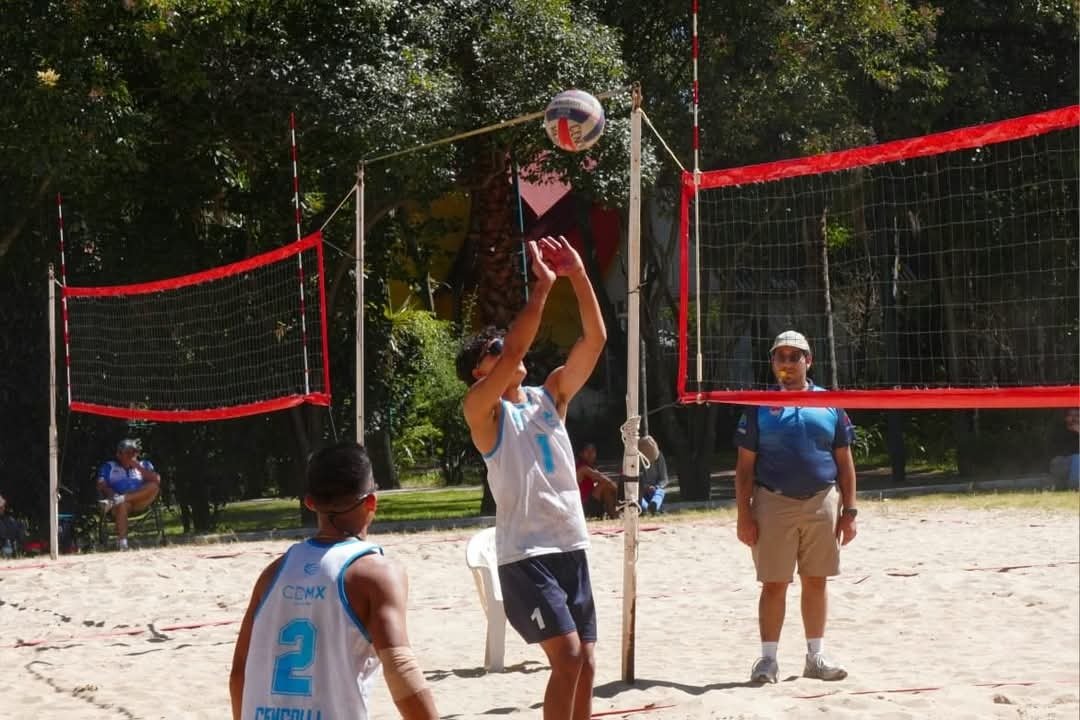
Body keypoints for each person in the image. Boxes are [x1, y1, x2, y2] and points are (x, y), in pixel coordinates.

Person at [456, 235, 606, 720]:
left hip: (570, 544)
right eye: (494, 350)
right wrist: (542, 289)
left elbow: (595, 341)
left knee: (588, 663)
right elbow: (519, 342)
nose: (508, 350)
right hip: (526, 556)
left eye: (505, 345)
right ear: (480, 373)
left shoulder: (551, 396)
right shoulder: (483, 410)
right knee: (568, 658)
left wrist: (578, 276)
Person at [229, 442, 438, 720]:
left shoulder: (272, 573)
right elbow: (400, 667)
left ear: (310, 502)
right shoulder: (375, 574)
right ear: (371, 502)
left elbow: (239, 674)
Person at [732, 330, 857, 684]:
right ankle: (767, 661)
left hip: (822, 499)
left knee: (815, 580)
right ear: (773, 363)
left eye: (794, 356)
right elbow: (744, 469)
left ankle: (815, 657)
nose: (787, 363)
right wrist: (744, 515)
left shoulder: (829, 403)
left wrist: (850, 512)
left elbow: (845, 462)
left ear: (808, 361)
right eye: (780, 357)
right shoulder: (759, 406)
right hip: (773, 501)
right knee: (774, 583)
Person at [96, 438, 162, 550]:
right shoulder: (109, 466)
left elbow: (156, 480)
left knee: (154, 486)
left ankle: (122, 499)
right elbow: (101, 484)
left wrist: (137, 466)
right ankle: (123, 543)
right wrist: (111, 493)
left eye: (134, 452)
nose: (131, 456)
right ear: (119, 454)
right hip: (120, 504)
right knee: (122, 504)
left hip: (141, 502)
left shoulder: (144, 465)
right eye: (127, 453)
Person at [576, 442, 619, 519]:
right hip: (583, 507)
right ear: (581, 454)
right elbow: (604, 479)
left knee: (606, 489)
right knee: (604, 484)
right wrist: (620, 492)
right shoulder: (583, 468)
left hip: (590, 503)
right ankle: (616, 513)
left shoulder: (591, 467)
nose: (590, 453)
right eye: (587, 451)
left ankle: (615, 515)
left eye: (593, 451)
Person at [1049, 408, 1079, 490]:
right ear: (1066, 418)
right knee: (1077, 458)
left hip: (1075, 462)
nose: (1074, 418)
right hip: (1062, 460)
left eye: (1077, 416)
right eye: (1071, 416)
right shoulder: (1060, 431)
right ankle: (1074, 486)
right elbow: (1058, 451)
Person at [637, 435, 668, 515]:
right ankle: (649, 510)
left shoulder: (659, 458)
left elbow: (664, 479)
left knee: (660, 492)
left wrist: (656, 487)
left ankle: (654, 505)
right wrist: (645, 487)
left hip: (654, 490)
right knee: (637, 497)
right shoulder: (635, 460)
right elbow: (634, 480)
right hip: (641, 491)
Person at [0, 493, 27, 557]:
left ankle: (17, 547)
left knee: (19, 524)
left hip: (8, 541)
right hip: (5, 543)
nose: (3, 508)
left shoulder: (7, 519)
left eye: (3, 507)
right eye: (2, 507)